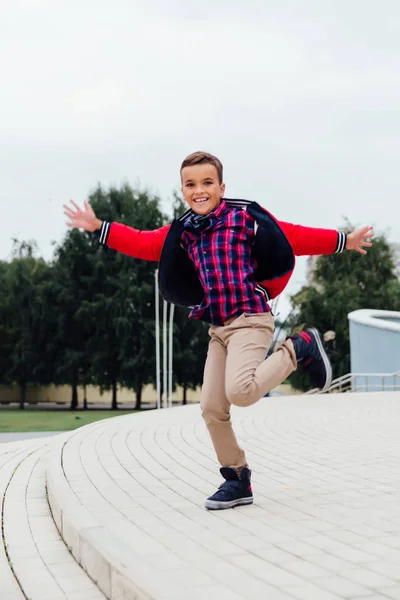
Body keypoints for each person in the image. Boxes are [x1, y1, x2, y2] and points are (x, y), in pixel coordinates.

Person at [64, 151, 373, 510]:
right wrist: (98, 226)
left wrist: (342, 240)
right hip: (220, 328)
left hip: (252, 318)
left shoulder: (242, 217)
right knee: (211, 406)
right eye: (191, 184)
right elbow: (145, 243)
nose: (200, 190)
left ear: (221, 187)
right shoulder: (184, 232)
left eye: (207, 183)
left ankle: (299, 347)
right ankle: (237, 479)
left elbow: (293, 236)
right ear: (183, 190)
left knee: (240, 392)